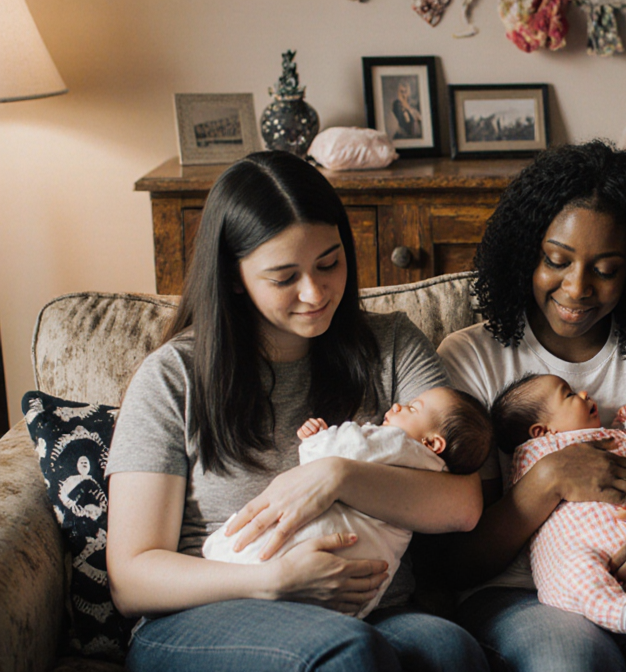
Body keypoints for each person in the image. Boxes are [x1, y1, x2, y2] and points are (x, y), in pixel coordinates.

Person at [105, 150, 488, 672]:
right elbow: (132, 578)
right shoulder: (173, 376)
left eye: (329, 263)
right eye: (285, 277)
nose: (315, 292)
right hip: (213, 612)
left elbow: (462, 504)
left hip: (374, 610)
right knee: (349, 655)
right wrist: (272, 582)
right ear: (236, 277)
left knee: (451, 651)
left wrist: (335, 476)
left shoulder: (393, 345)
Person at [436, 141, 626, 671]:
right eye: (556, 261)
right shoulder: (472, 358)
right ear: (524, 253)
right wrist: (546, 481)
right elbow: (456, 562)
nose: (577, 288)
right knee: (569, 663)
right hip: (524, 593)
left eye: (606, 269)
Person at [202, 386, 491, 619]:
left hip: (321, 566)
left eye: (413, 408)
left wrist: (318, 440)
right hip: (355, 603)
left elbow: (342, 449)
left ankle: (226, 553)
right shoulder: (436, 474)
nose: (398, 406)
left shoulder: (398, 444)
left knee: (262, 539)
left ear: (432, 444)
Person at [493, 374, 626, 637]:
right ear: (542, 431)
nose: (584, 394)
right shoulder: (534, 453)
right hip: (586, 544)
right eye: (569, 395)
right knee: (578, 572)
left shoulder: (615, 437)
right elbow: (522, 495)